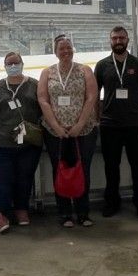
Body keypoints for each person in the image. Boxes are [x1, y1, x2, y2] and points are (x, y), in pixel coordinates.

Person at [37, 34, 100, 227]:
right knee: (60, 170)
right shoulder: (47, 73)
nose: (66, 51)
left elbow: (91, 97)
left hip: (84, 130)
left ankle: (83, 212)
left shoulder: (85, 70)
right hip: (55, 132)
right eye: (61, 48)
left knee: (83, 169)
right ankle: (64, 213)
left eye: (68, 47)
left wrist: (79, 125)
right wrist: (56, 126)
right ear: (55, 52)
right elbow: (43, 99)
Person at [94, 26, 138, 218]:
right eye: (115, 38)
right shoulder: (102, 65)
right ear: (110, 41)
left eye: (122, 38)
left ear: (128, 40)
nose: (118, 41)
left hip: (135, 124)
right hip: (109, 125)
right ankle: (112, 202)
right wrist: (97, 118)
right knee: (111, 167)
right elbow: (95, 96)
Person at [0, 50, 43, 234]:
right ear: (5, 67)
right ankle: (1, 214)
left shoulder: (34, 85)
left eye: (16, 62)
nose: (13, 66)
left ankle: (21, 209)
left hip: (28, 144)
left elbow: (45, 107)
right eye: (9, 64)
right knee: (3, 181)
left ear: (22, 63)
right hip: (2, 144)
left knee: (24, 179)